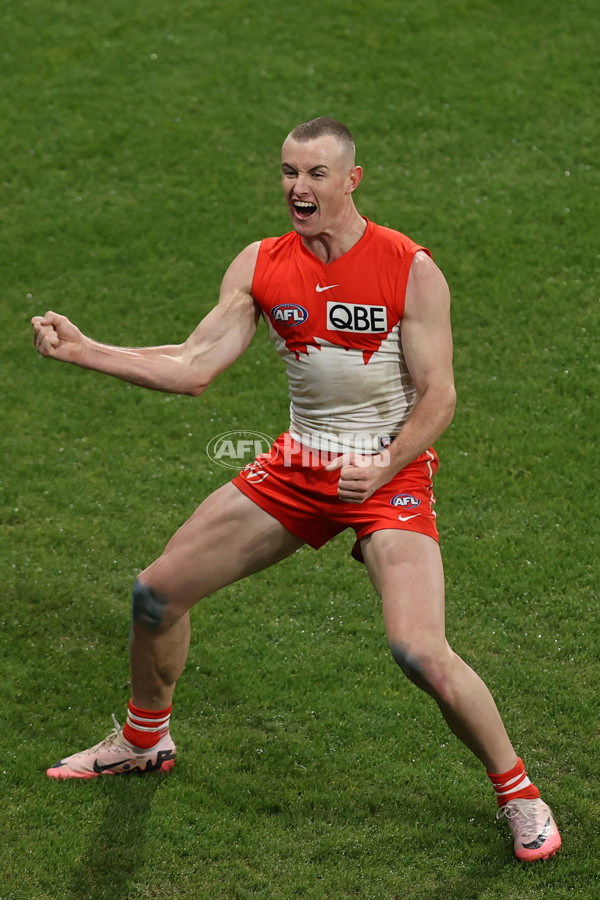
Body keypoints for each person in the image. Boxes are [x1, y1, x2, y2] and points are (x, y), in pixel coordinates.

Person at [32, 117, 560, 862]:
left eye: (314, 174)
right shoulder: (261, 263)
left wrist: (385, 463)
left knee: (419, 650)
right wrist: (88, 351)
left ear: (352, 180)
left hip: (389, 474)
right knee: (154, 595)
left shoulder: (408, 267)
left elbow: (439, 396)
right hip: (298, 467)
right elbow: (193, 364)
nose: (297, 189)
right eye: (287, 173)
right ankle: (145, 739)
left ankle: (519, 793)